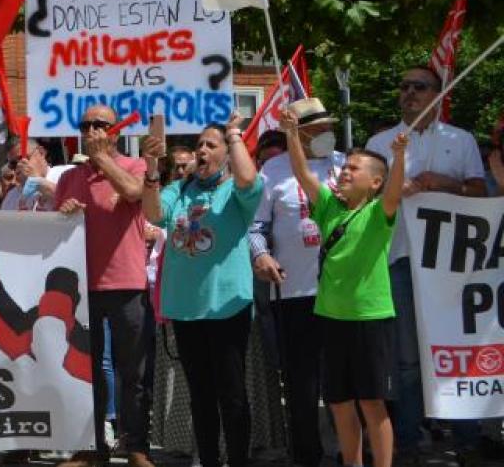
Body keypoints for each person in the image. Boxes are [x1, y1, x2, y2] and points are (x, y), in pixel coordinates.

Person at [364, 66, 486, 466]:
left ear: (439, 93)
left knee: (457, 347)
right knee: (406, 359)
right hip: (399, 259)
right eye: (404, 86)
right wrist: (397, 188)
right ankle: (410, 439)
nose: (410, 93)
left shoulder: (461, 139)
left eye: (420, 87)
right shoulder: (380, 142)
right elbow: (365, 199)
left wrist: (442, 184)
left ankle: (468, 436)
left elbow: (480, 193)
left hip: (452, 263)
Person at [281, 106, 406, 467]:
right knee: (338, 401)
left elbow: (396, 192)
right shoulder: (329, 208)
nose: (345, 172)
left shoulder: (378, 212)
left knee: (372, 402)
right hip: (331, 316)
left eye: (354, 169)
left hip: (370, 317)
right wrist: (291, 133)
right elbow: (302, 173)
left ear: (375, 182)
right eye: (345, 167)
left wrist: (398, 156)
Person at [140, 113, 262, 467]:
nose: (203, 151)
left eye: (212, 145)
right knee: (201, 395)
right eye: (199, 146)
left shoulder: (238, 192)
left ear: (227, 152)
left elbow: (248, 176)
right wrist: (151, 165)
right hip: (185, 307)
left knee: (232, 395)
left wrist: (235, 134)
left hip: (226, 305)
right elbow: (152, 213)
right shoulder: (180, 188)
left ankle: (237, 460)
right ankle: (209, 460)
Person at [54, 106, 154, 467]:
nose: (92, 130)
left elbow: (132, 193)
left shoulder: (133, 166)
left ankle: (136, 446)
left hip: (127, 283)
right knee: (86, 373)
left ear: (114, 132)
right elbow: (54, 226)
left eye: (100, 124)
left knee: (134, 372)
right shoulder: (69, 177)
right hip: (83, 287)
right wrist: (63, 210)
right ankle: (92, 446)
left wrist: (102, 160)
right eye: (86, 125)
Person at [248, 98, 344, 467]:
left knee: (344, 379)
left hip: (343, 292)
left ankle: (350, 451)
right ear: (297, 133)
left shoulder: (344, 165)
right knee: (302, 383)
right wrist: (260, 254)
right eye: (316, 129)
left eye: (327, 127)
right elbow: (256, 226)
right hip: (294, 291)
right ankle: (306, 453)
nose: (325, 134)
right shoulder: (273, 169)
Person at [0, 139, 73, 212]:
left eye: (24, 159)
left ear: (41, 153)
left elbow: (80, 203)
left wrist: (38, 181)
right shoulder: (11, 197)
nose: (19, 166)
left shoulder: (68, 173)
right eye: (13, 164)